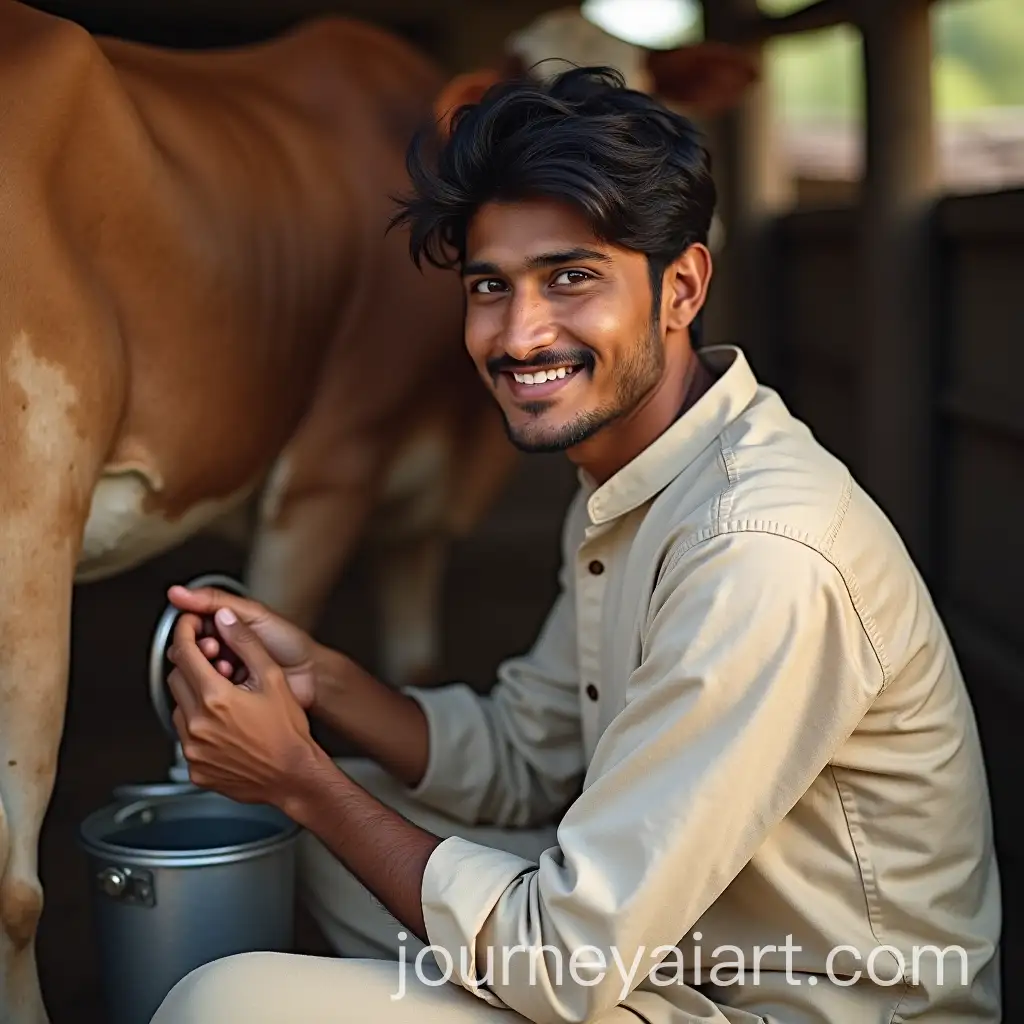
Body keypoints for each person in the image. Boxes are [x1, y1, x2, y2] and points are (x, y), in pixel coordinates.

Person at [149, 67, 1001, 1023]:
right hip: (665, 949)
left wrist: (297, 777)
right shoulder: (635, 477)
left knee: (223, 1003)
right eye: (489, 287)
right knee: (307, 820)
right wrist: (324, 684)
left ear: (681, 287)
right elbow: (530, 752)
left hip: (788, 1006)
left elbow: (566, 959)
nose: (520, 334)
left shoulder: (760, 552)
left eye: (570, 278)